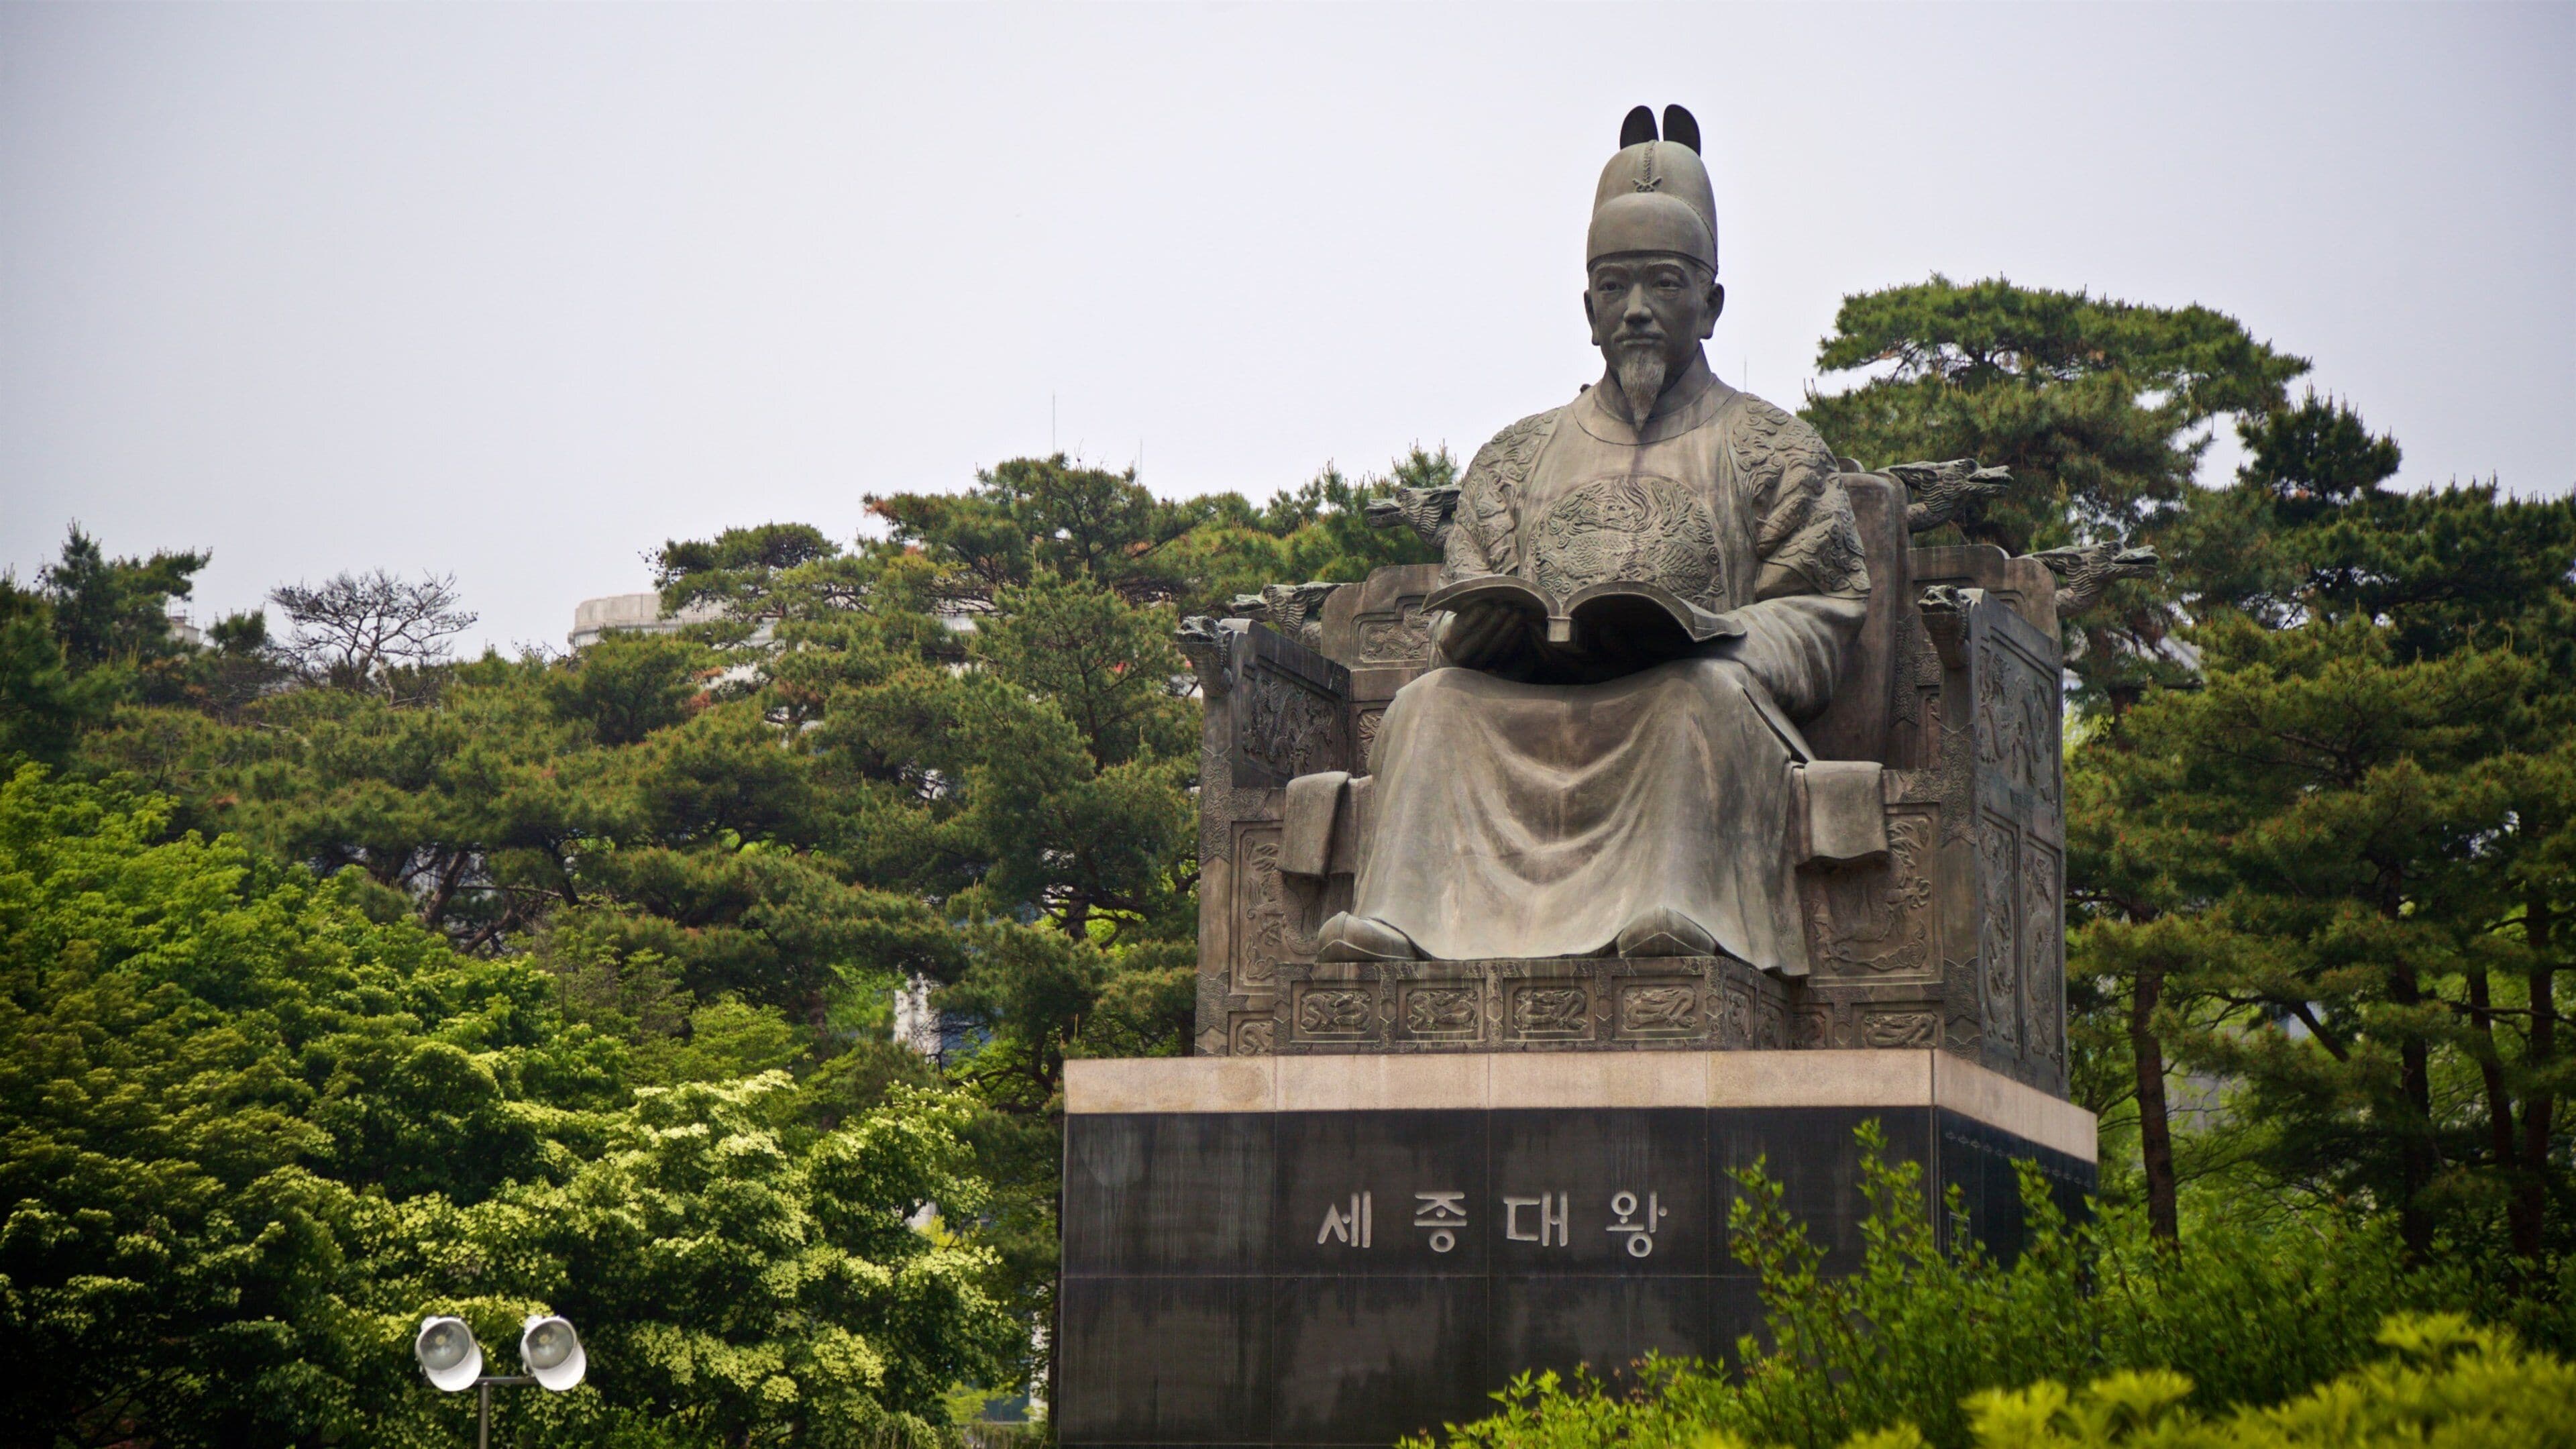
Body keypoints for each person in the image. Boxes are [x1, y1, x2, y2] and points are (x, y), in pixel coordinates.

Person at [1315, 105, 1870, 974]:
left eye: (1664, 284)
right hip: (1534, 704)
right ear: (1588, 308)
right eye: (1615, 288)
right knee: (1430, 706)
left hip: (1693, 705)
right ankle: (1401, 921)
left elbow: (1822, 610)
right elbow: (1463, 598)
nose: (1638, 310)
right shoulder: (1516, 456)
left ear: (1711, 304)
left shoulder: (1774, 448)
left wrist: (1709, 636)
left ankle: (1678, 911)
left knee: (1694, 697)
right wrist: (1477, 633)